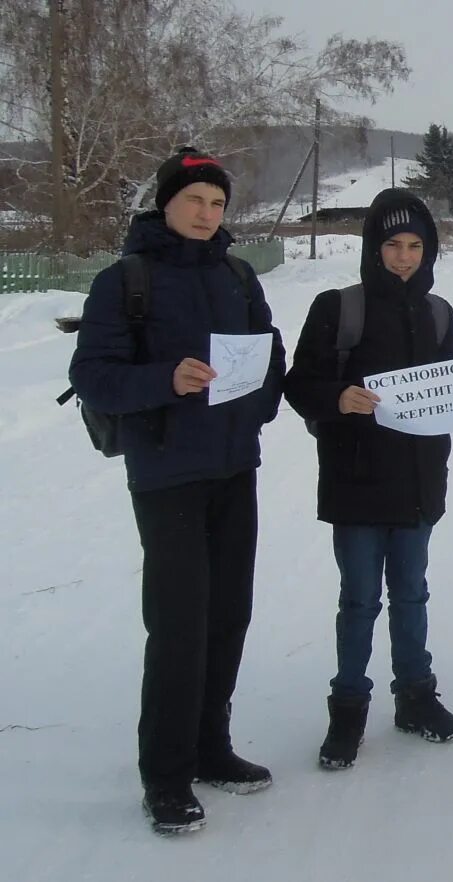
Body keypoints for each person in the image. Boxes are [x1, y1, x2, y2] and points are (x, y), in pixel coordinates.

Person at [284, 188, 453, 770]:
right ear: (373, 248)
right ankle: (348, 709)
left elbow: (448, 391)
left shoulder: (437, 313)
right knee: (359, 600)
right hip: (355, 482)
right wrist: (338, 397)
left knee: (411, 593)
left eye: (415, 246)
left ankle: (415, 696)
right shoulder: (338, 308)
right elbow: (298, 386)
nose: (404, 257)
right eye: (393, 245)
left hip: (419, 482)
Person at [68, 146, 286, 835]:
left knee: (228, 615)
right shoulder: (124, 281)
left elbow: (269, 355)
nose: (206, 213)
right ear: (166, 204)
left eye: (217, 203)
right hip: (167, 474)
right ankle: (165, 775)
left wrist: (256, 400)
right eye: (194, 199)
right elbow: (94, 376)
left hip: (235, 468)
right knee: (179, 625)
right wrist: (166, 379)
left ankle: (210, 746)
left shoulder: (237, 275)